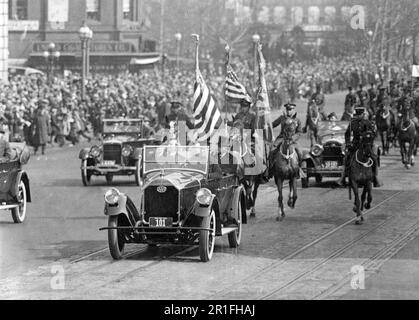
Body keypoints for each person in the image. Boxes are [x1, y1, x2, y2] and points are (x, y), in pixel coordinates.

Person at [337, 106, 382, 187]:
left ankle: (375, 177)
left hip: (366, 145)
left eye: (360, 115)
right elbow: (347, 134)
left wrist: (368, 138)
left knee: (374, 158)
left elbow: (373, 134)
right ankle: (343, 177)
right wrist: (348, 143)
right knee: (347, 158)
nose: (359, 116)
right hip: (355, 144)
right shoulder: (352, 123)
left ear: (362, 115)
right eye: (357, 115)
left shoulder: (368, 122)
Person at [264, 103, 303, 180]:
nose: (288, 111)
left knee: (300, 152)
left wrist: (293, 138)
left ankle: (298, 170)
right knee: (272, 151)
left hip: (292, 140)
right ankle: (270, 170)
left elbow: (299, 132)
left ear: (293, 110)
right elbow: (273, 124)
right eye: (287, 110)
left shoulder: (297, 120)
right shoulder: (282, 118)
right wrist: (267, 125)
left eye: (290, 110)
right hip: (281, 138)